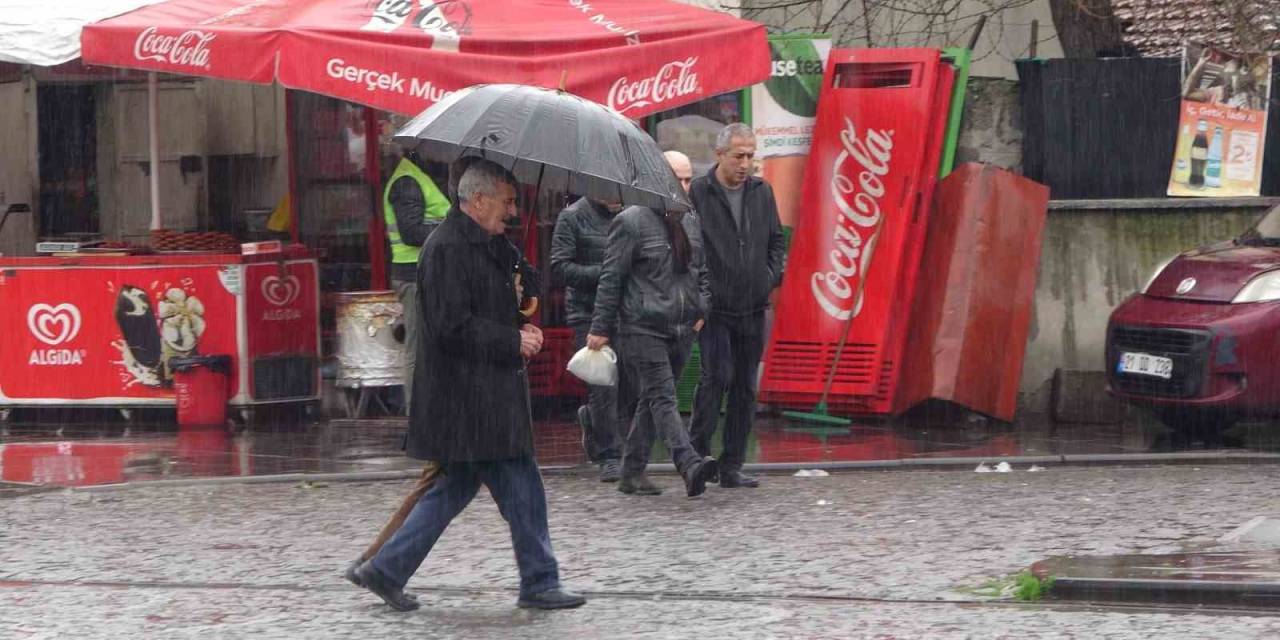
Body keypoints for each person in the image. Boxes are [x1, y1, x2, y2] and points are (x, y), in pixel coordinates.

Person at [353, 159, 585, 612]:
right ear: (477, 200)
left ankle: (386, 569)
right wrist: (511, 339)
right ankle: (539, 582)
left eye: (516, 202)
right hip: (469, 401)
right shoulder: (446, 249)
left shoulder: (491, 242)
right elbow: (451, 327)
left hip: (487, 398)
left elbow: (517, 290)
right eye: (507, 201)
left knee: (457, 490)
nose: (513, 211)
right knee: (520, 487)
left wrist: (524, 309)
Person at [586, 201, 718, 497]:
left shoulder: (691, 221)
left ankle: (631, 473)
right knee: (663, 397)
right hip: (642, 327)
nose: (683, 185)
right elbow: (612, 276)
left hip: (683, 327)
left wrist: (701, 311)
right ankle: (688, 462)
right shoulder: (631, 221)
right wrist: (600, 327)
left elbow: (702, 273)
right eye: (678, 177)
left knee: (651, 400)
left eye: (686, 178)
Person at [688, 123, 786, 489]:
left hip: (753, 305)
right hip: (716, 308)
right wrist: (703, 294)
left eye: (750, 156)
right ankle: (696, 456)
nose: (746, 164)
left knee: (745, 386)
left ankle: (732, 464)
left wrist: (769, 276)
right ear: (720, 156)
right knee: (716, 379)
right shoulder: (699, 192)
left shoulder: (762, 192)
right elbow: (690, 248)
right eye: (739, 156)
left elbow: (777, 241)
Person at [551, 196, 624, 482]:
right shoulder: (572, 217)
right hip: (587, 311)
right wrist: (605, 274)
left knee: (629, 380)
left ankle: (595, 422)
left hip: (626, 310)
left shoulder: (631, 215)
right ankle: (610, 454)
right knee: (604, 383)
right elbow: (559, 268)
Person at [383, 150, 451, 414]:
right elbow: (411, 233)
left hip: (424, 273)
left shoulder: (416, 177)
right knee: (417, 347)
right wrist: (451, 229)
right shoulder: (408, 181)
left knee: (428, 345)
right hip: (413, 276)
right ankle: (419, 413)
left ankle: (430, 410)